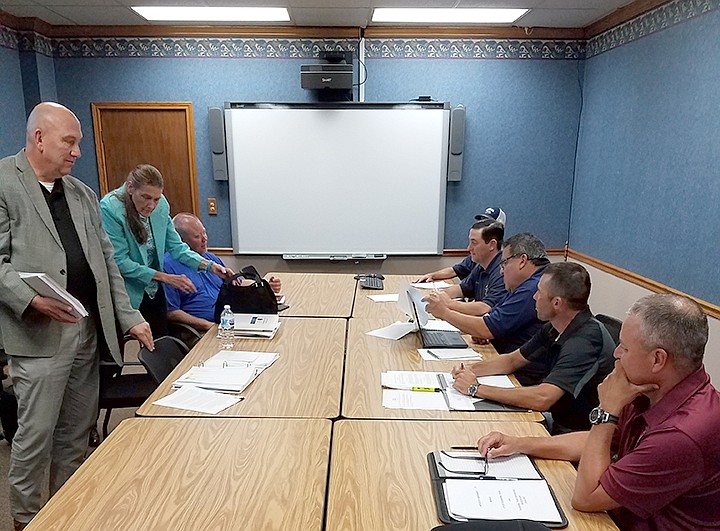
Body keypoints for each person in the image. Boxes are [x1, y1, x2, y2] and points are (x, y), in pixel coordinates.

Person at [0, 102, 153, 530]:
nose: (77, 152)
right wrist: (30, 299)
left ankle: (67, 513)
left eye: (79, 143)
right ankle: (27, 519)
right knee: (36, 436)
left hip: (86, 331)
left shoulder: (82, 193)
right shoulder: (2, 184)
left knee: (75, 432)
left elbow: (107, 264)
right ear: (39, 138)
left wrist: (129, 316)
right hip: (39, 334)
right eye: (70, 142)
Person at [476, 294, 720, 530]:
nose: (616, 353)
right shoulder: (651, 390)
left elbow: (585, 498)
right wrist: (519, 444)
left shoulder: (682, 434)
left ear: (658, 360)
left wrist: (607, 410)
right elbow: (598, 442)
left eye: (624, 347)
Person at [451, 262, 616, 433]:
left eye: (539, 292)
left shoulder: (585, 342)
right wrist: (468, 370)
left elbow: (542, 398)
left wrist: (475, 389)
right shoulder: (554, 326)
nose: (535, 297)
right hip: (557, 419)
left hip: (575, 433)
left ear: (557, 303)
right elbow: (512, 360)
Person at [100, 164, 231, 337]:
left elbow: (177, 247)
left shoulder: (161, 205)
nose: (151, 205)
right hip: (126, 291)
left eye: (156, 199)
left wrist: (210, 266)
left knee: (161, 343)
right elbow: (120, 262)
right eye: (146, 197)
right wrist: (166, 277)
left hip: (154, 289)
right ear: (130, 187)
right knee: (118, 347)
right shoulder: (110, 208)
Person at [424, 233, 550, 378]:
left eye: (505, 263)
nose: (501, 271)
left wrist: (445, 312)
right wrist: (492, 333)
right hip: (507, 362)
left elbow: (486, 327)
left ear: (522, 260)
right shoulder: (528, 283)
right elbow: (491, 318)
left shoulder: (533, 289)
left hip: (521, 375)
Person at [164, 212, 281, 332]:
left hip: (231, 319)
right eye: (197, 236)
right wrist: (208, 326)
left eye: (204, 232)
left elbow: (237, 284)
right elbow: (172, 313)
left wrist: (264, 286)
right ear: (181, 242)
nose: (205, 239)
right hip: (202, 329)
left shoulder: (210, 259)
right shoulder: (168, 267)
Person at [429, 220, 506, 316]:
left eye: (474, 243)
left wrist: (448, 303)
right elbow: (461, 289)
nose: (468, 248)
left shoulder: (503, 271)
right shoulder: (481, 266)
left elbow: (484, 308)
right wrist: (438, 296)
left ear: (492, 245)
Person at [415, 206, 506, 283]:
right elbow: (455, 271)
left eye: (487, 223)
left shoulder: (501, 267)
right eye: (481, 222)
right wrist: (432, 275)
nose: (482, 224)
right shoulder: (478, 261)